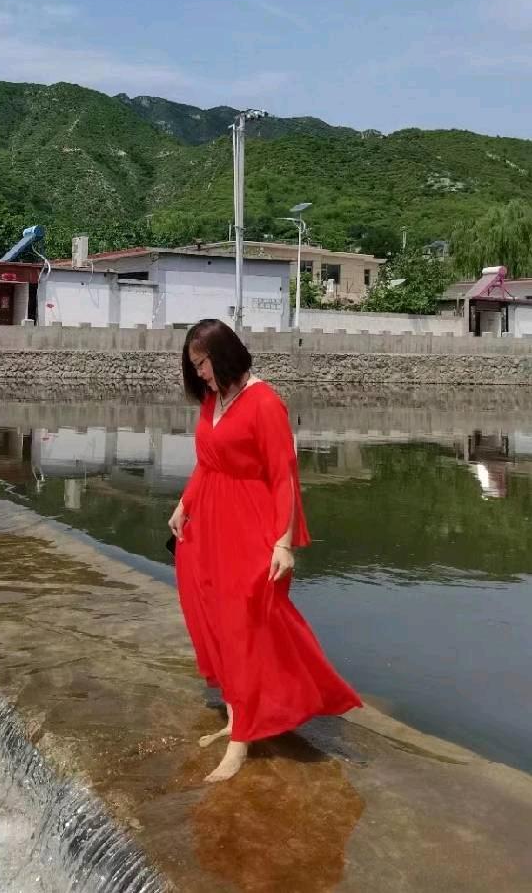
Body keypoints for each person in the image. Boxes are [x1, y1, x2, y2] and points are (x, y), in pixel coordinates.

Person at [168, 319, 361, 782]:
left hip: (252, 527)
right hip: (211, 521)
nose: (200, 376)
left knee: (246, 627)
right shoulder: (215, 400)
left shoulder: (264, 402)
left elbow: (284, 476)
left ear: (225, 355)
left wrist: (283, 542)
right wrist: (183, 505)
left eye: (203, 365)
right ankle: (240, 716)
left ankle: (242, 740)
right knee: (213, 617)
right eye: (194, 368)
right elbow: (208, 461)